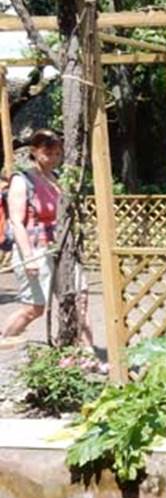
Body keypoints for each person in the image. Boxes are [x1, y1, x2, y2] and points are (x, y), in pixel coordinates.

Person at [0, 130, 65, 347]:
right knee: (33, 307)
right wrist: (29, 258)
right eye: (48, 153)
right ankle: (5, 338)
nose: (53, 158)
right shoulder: (23, 179)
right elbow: (17, 221)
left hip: (53, 247)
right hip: (33, 249)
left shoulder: (54, 179)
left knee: (53, 302)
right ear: (34, 151)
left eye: (57, 153)